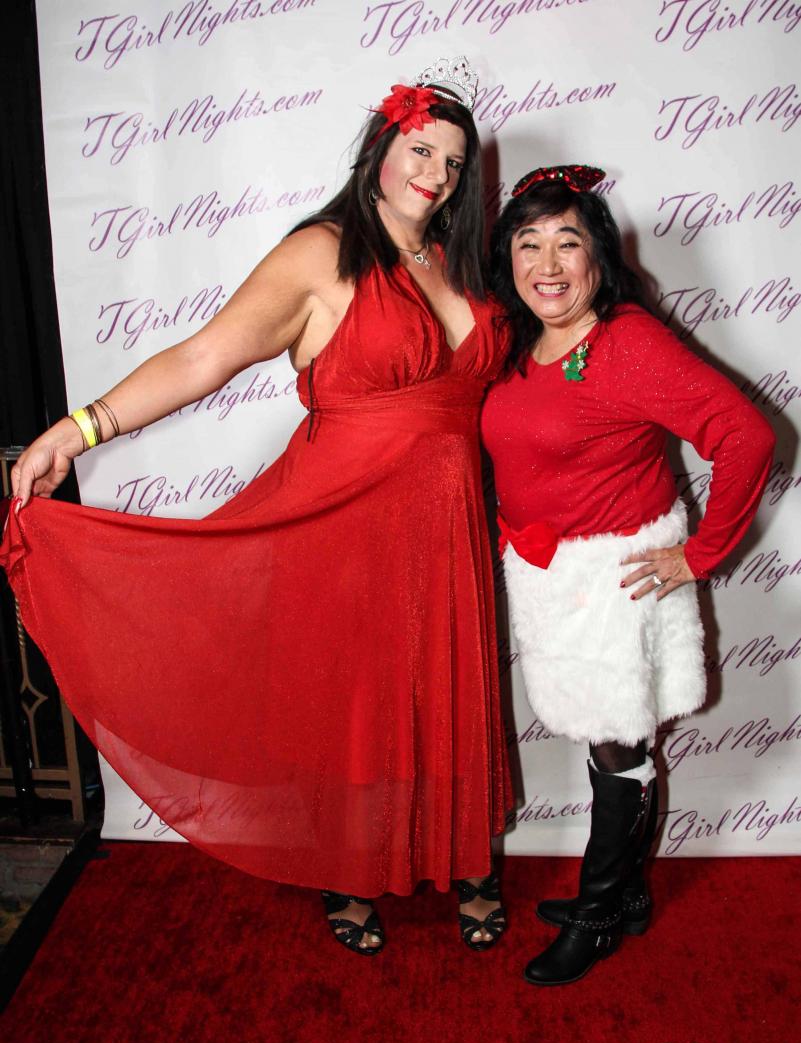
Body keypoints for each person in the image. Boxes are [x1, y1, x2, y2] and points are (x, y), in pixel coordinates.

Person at [0, 57, 511, 956]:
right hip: (341, 524)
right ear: (379, 149)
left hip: (447, 530)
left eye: (453, 161)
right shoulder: (321, 253)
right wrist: (77, 431)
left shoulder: (458, 260)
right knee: (351, 704)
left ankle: (464, 856)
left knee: (446, 690)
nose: (435, 173)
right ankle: (346, 868)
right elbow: (205, 358)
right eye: (420, 149)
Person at [481, 164, 776, 986]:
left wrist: (698, 554)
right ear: (507, 257)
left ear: (597, 256)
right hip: (549, 574)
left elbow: (745, 437)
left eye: (566, 242)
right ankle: (630, 894)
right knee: (607, 736)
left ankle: (602, 910)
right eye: (528, 243)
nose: (547, 263)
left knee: (618, 745)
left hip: (613, 581)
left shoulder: (625, 341)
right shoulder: (521, 341)